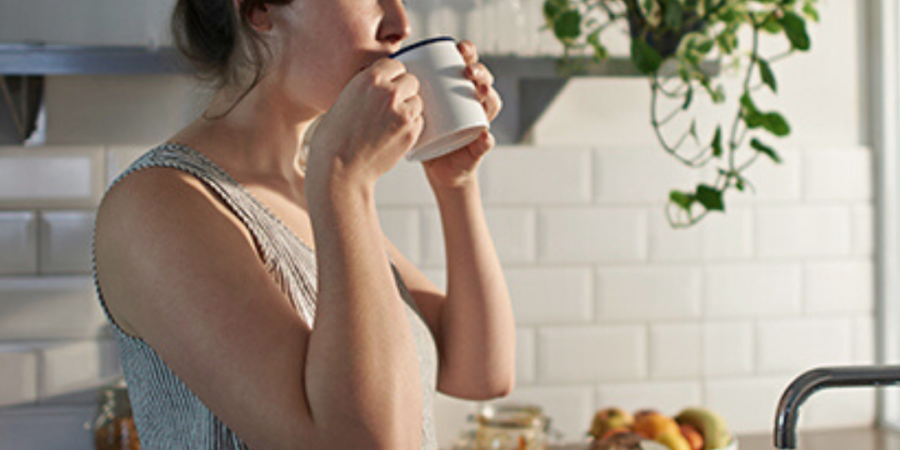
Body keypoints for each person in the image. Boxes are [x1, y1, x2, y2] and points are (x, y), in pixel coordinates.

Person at [91, 0, 514, 448]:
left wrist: (456, 183)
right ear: (258, 9)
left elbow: (481, 373)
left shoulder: (313, 186)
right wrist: (345, 184)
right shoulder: (158, 204)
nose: (401, 24)